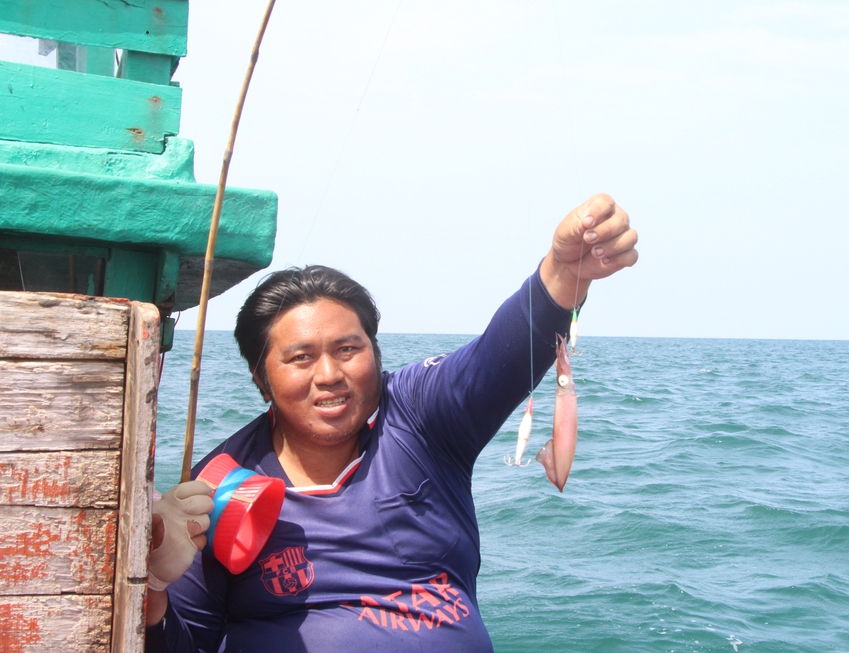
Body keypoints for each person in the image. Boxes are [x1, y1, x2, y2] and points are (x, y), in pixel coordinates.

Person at [145, 194, 638, 652]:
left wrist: (562, 272)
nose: (330, 375)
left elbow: (498, 361)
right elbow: (185, 640)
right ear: (261, 377)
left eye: (348, 349)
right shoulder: (221, 484)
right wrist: (153, 595)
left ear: (375, 353)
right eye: (300, 358)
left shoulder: (419, 416)